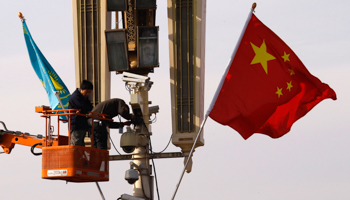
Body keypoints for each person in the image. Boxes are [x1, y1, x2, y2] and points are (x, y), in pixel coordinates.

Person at [68, 80, 93, 146]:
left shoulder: (84, 97)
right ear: (81, 89)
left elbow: (90, 107)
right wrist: (83, 110)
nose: (88, 94)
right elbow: (83, 107)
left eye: (89, 92)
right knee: (76, 143)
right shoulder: (75, 96)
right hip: (76, 124)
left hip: (82, 124)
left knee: (81, 144)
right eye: (87, 92)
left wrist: (83, 110)